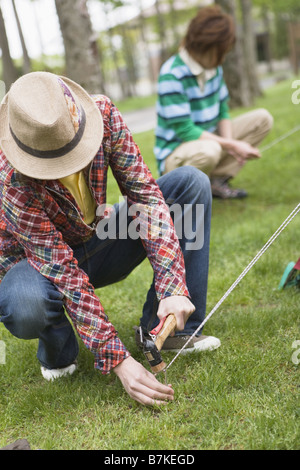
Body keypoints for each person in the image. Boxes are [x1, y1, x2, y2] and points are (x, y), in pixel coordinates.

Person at [0, 71, 219, 407]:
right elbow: (61, 270)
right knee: (26, 302)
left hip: (97, 235)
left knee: (190, 183)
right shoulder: (9, 175)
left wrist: (172, 285)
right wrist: (119, 361)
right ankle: (59, 350)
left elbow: (145, 198)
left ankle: (169, 329)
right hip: (38, 266)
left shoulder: (103, 114)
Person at [154, 5, 273, 199]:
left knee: (262, 119)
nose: (223, 57)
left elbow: (222, 112)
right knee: (210, 150)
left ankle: (214, 183)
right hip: (176, 155)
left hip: (209, 143)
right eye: (222, 51)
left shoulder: (214, 69)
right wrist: (233, 146)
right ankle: (181, 190)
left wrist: (231, 143)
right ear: (208, 47)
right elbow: (186, 131)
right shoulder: (172, 73)